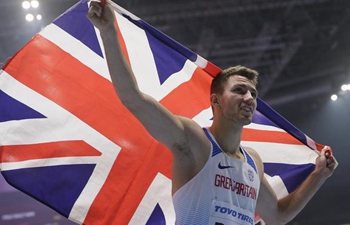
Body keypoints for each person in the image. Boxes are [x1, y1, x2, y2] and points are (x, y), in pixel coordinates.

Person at [86, 1, 336, 224]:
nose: (249, 98)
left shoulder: (253, 161)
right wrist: (108, 32)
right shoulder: (193, 140)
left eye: (253, 94)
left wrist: (319, 175)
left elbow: (278, 216)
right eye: (240, 90)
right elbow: (134, 99)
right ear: (215, 100)